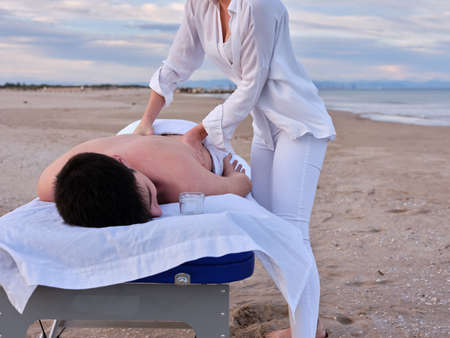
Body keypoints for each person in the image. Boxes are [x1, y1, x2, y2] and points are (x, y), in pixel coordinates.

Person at [133, 0, 336, 336]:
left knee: (291, 232)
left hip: (299, 124)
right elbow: (177, 63)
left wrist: (197, 133)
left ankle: (305, 332)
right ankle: (308, 325)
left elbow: (252, 85)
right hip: (265, 128)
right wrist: (146, 121)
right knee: (268, 231)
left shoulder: (260, 6)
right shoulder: (199, 6)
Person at [37, 124, 251, 227]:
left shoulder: (186, 180)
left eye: (153, 193)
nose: (158, 212)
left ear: (122, 162)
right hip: (131, 134)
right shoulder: (50, 184)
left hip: (176, 131)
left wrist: (230, 170)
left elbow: (241, 184)